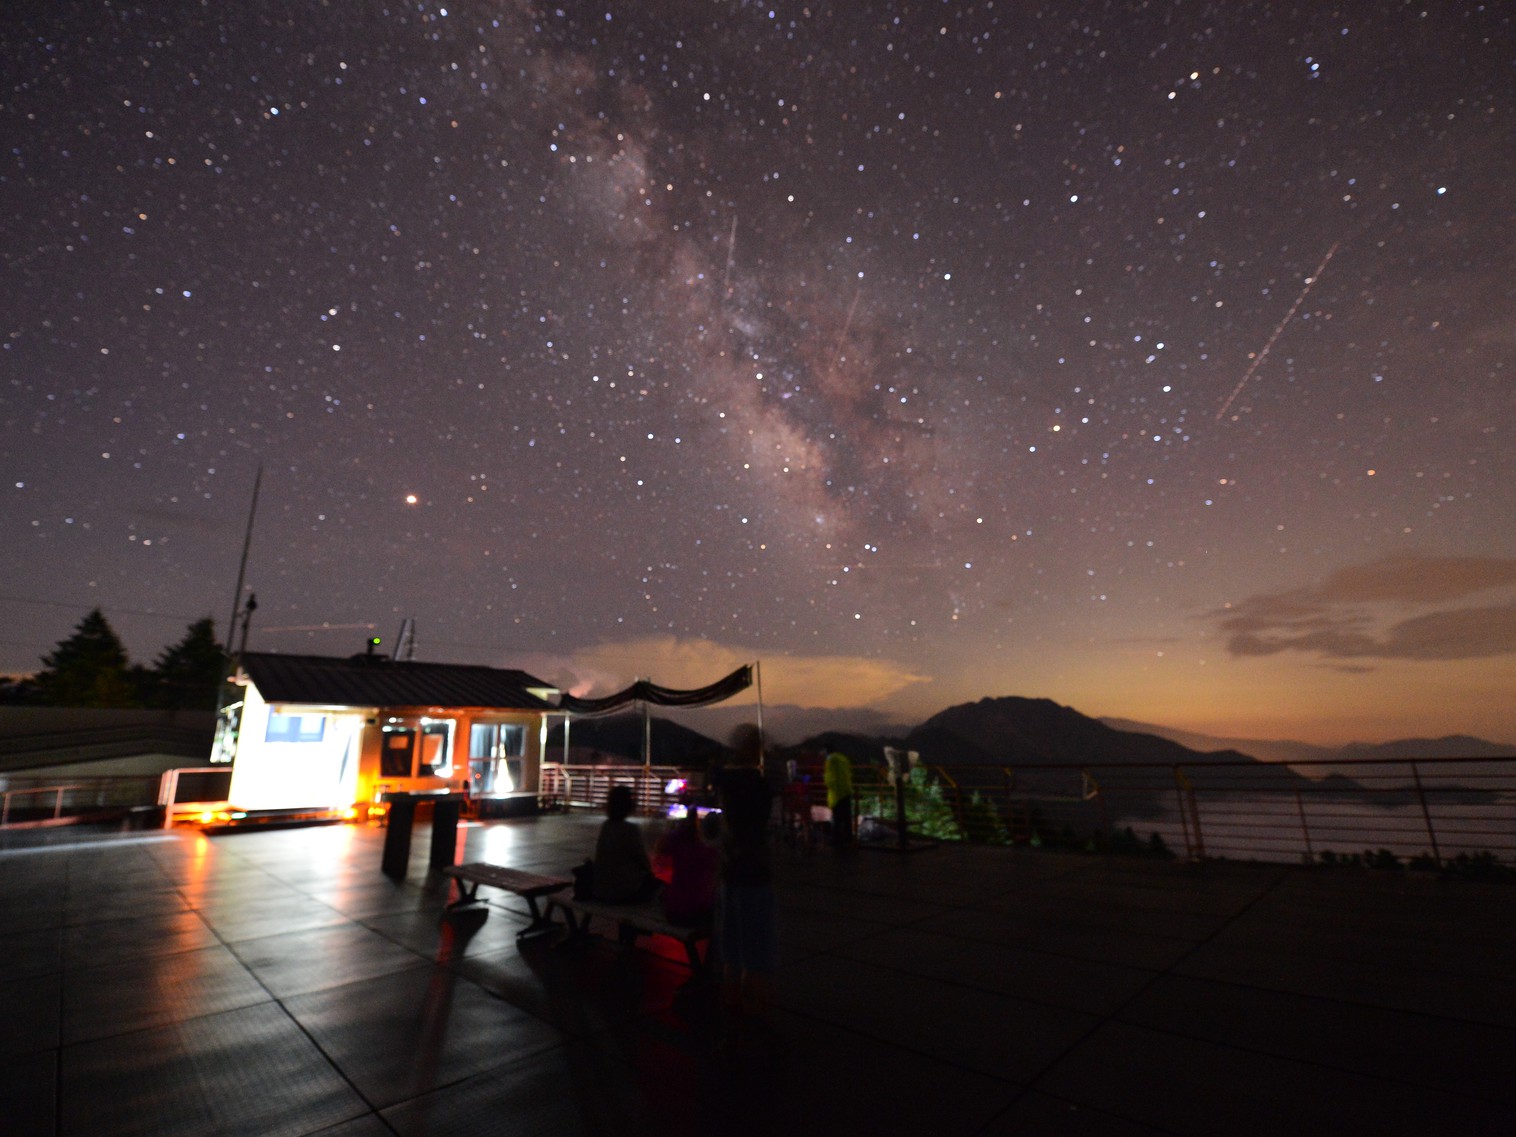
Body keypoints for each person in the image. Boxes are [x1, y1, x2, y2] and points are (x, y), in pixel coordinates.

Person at [715, 723, 777, 1050]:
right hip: (755, 872)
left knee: (732, 951)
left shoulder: (724, 783)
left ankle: (731, 1017)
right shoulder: (759, 785)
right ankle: (758, 1022)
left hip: (729, 871)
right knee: (758, 954)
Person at [655, 801, 719, 925]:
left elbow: (661, 849)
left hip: (674, 911)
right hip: (696, 913)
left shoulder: (678, 844)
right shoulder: (711, 853)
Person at [593, 784, 657, 903]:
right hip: (622, 892)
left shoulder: (606, 826)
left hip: (600, 889)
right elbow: (643, 861)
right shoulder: (630, 830)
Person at [823, 748, 855, 848]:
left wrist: (826, 781)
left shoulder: (831, 760)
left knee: (836, 818)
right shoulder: (843, 758)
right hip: (846, 790)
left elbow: (829, 778)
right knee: (847, 816)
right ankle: (848, 837)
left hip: (836, 793)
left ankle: (837, 839)